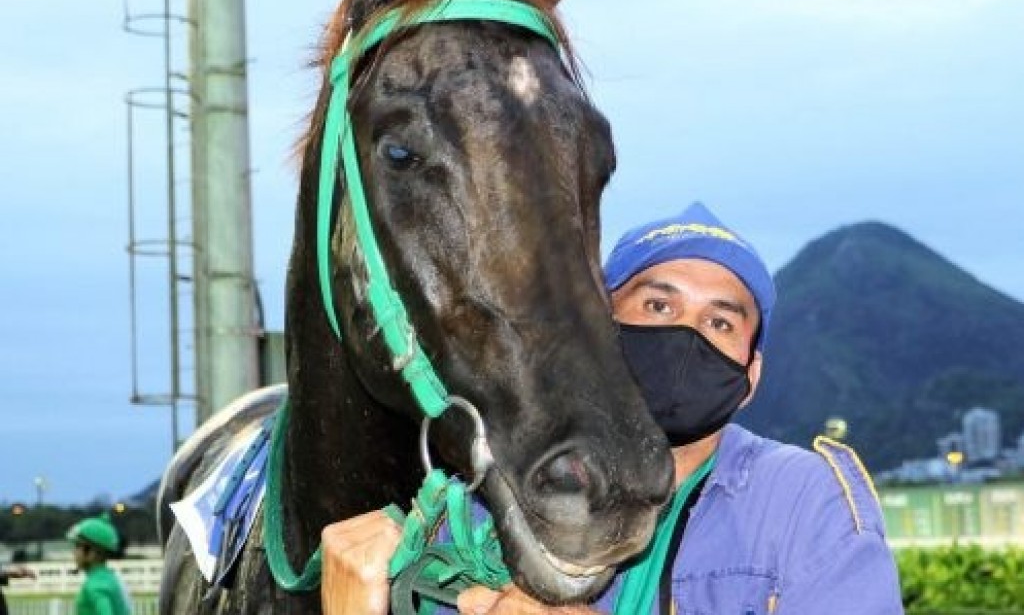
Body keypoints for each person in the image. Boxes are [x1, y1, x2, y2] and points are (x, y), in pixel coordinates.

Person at [321, 202, 905, 614]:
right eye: (657, 305)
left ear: (751, 377)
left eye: (721, 322)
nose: (687, 333)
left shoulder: (803, 502)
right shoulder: (483, 504)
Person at [66, 513, 132, 615]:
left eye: (78, 545)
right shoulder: (109, 578)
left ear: (93, 552)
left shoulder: (96, 585)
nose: (74, 552)